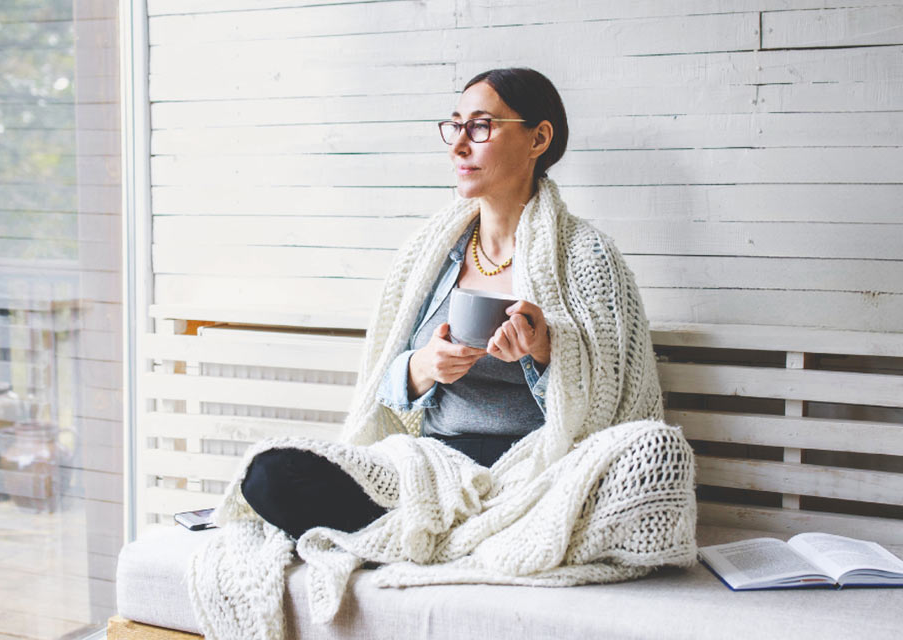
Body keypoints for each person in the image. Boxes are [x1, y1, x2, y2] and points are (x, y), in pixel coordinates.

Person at [240, 67, 657, 539]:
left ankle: (442, 535)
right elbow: (382, 390)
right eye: (455, 126)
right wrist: (423, 367)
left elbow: (612, 406)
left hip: (542, 469)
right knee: (269, 474)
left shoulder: (587, 256)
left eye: (480, 127)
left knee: (657, 450)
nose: (459, 145)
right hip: (434, 465)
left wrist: (544, 351)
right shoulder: (428, 253)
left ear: (538, 139)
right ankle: (463, 534)